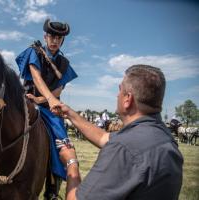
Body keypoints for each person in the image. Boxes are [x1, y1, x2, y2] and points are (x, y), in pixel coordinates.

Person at [52, 65, 183, 200]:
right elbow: (103, 137)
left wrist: (71, 162)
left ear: (128, 99)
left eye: (120, 90)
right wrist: (71, 114)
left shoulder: (123, 148)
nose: (117, 95)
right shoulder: (164, 137)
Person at [15, 18, 78, 199]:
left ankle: (53, 184)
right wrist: (36, 98)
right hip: (25, 100)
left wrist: (42, 99)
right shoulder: (33, 52)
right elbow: (36, 78)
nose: (55, 41)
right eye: (51, 36)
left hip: (50, 108)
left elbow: (58, 90)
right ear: (45, 36)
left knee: (61, 137)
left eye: (59, 38)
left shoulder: (64, 64)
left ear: (62, 40)